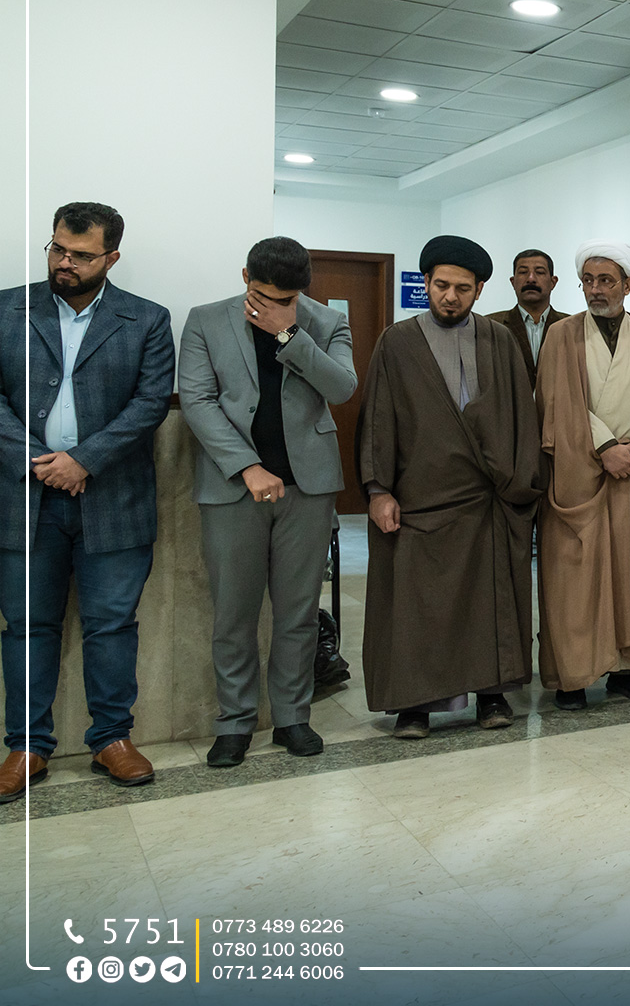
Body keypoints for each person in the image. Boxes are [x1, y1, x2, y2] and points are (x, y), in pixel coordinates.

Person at [0, 203, 173, 800]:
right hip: (25, 498)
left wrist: (83, 461)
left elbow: (151, 404)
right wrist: (39, 460)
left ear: (111, 257)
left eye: (80, 255)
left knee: (111, 625)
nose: (64, 263)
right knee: (27, 625)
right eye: (57, 249)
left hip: (115, 500)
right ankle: (26, 747)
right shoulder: (7, 309)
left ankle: (111, 739)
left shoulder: (146, 319)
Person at [177, 236, 357, 768]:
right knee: (234, 613)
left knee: (298, 613)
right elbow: (197, 400)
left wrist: (289, 333)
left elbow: (342, 387)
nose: (275, 305)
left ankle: (292, 718)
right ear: (244, 277)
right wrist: (247, 466)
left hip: (308, 487)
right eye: (264, 295)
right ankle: (234, 722)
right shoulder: (206, 320)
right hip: (233, 487)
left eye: (288, 299)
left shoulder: (327, 322)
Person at [358, 236, 542, 740]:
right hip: (420, 500)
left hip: (489, 498)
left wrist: (520, 486)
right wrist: (378, 489)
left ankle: (492, 695)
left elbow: (522, 419)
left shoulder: (499, 341)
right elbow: (377, 419)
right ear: (425, 283)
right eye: (441, 285)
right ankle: (416, 705)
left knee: (490, 605)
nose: (450, 296)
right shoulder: (397, 342)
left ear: (479, 290)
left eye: (463, 288)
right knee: (418, 608)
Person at [535, 240, 630, 711]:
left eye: (606, 280)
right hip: (581, 476)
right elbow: (557, 402)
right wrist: (605, 448)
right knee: (575, 581)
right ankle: (574, 676)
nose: (596, 289)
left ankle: (627, 670)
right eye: (588, 281)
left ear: (628, 284)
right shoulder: (561, 335)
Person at [487, 248, 564, 383]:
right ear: (513, 282)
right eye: (523, 272)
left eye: (539, 272)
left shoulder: (570, 326)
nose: (531, 279)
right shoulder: (490, 325)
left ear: (553, 282)